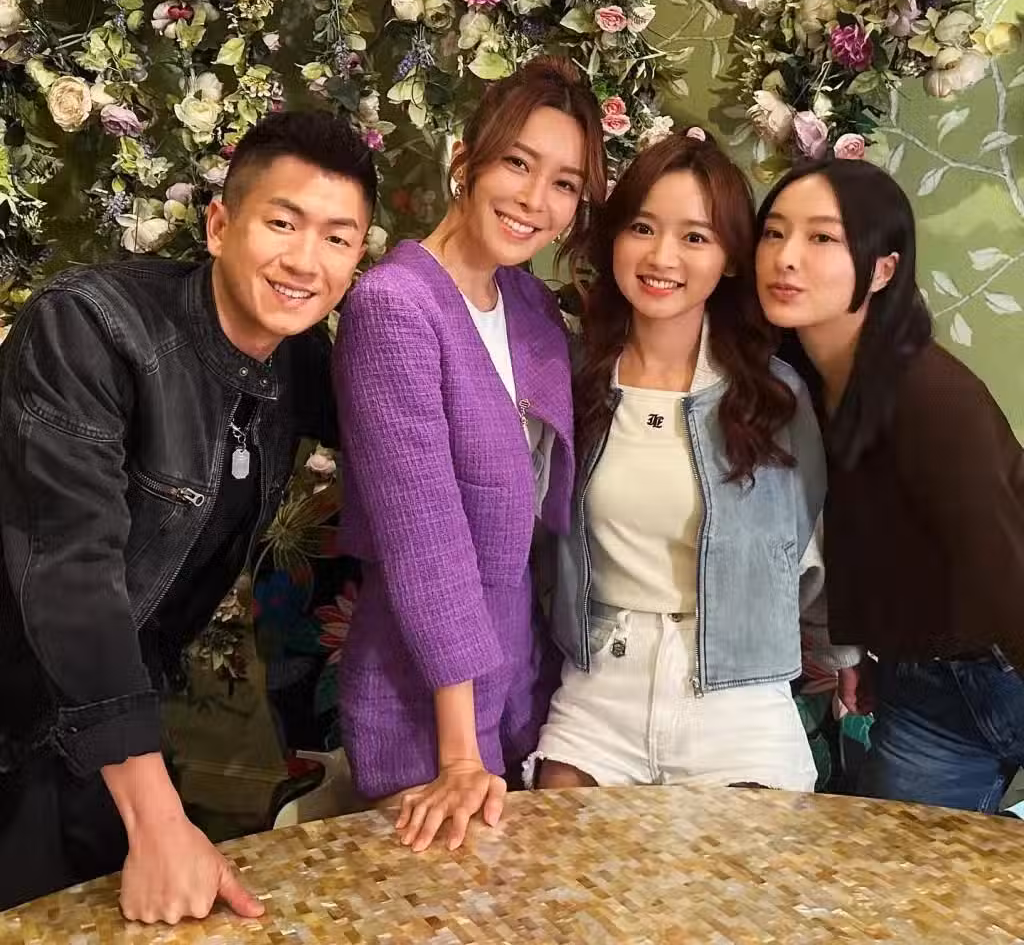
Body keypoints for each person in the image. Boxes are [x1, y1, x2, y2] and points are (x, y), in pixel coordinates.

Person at [0, 110, 376, 919]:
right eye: (282, 223)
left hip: (105, 728)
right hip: (23, 706)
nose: (305, 261)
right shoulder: (89, 327)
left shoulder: (298, 357)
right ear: (219, 225)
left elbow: (408, 449)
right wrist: (158, 818)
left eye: (337, 238)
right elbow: (73, 575)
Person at [333, 57, 606, 852]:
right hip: (426, 705)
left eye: (564, 183)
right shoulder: (395, 306)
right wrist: (459, 755)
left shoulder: (526, 302)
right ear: (466, 160)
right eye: (517, 163)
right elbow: (427, 543)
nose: (535, 199)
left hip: (519, 679)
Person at [532, 130, 858, 792]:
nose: (661, 257)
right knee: (555, 855)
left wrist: (841, 653)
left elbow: (810, 544)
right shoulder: (568, 379)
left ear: (731, 257)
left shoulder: (774, 397)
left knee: (751, 863)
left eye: (695, 237)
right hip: (599, 688)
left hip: (739, 702)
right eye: (643, 228)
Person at [756, 157, 1024, 811]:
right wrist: (860, 651)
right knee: (896, 871)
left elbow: (1001, 570)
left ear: (882, 269)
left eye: (822, 237)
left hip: (1001, 664)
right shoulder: (802, 382)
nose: (786, 257)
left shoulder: (929, 396)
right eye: (774, 232)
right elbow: (851, 534)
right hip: (927, 684)